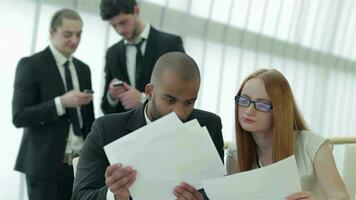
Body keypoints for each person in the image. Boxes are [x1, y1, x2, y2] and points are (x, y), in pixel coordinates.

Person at [71, 52, 224, 200]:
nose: (179, 113)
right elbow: (80, 196)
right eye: (170, 100)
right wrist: (115, 196)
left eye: (189, 102)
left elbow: (217, 192)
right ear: (150, 92)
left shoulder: (210, 125)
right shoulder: (106, 129)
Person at [225, 69, 350, 199]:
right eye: (244, 100)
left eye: (262, 104)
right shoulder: (235, 152)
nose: (249, 111)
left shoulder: (313, 146)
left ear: (280, 110)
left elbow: (341, 197)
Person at [12, 9, 95, 200]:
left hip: (79, 166)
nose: (74, 41)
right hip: (44, 168)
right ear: (52, 32)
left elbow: (88, 119)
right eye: (68, 34)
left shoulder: (83, 69)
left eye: (78, 35)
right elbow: (19, 116)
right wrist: (60, 103)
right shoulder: (30, 65)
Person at [99, 0, 185, 115]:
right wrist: (111, 96)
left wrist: (143, 99)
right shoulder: (112, 53)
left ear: (136, 10)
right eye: (114, 26)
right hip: (126, 130)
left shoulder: (171, 44)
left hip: (163, 126)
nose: (120, 30)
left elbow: (183, 91)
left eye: (123, 22)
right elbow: (106, 109)